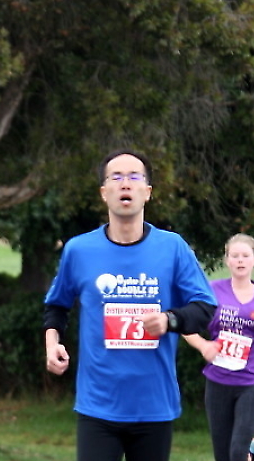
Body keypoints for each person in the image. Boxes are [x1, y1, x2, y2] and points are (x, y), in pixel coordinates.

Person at [43, 149, 217, 461]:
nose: (126, 184)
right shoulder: (79, 250)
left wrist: (169, 320)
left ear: (147, 192)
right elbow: (56, 307)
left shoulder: (173, 248)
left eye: (134, 177)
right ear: (104, 192)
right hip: (98, 405)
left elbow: (205, 309)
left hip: (154, 405)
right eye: (116, 177)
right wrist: (52, 344)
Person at [183, 234, 254, 461]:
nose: (240, 260)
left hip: (252, 381)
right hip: (218, 381)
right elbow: (185, 325)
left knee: (237, 452)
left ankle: (247, 452)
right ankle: (250, 453)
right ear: (227, 260)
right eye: (235, 255)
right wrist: (203, 345)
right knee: (222, 455)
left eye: (245, 255)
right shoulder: (211, 291)